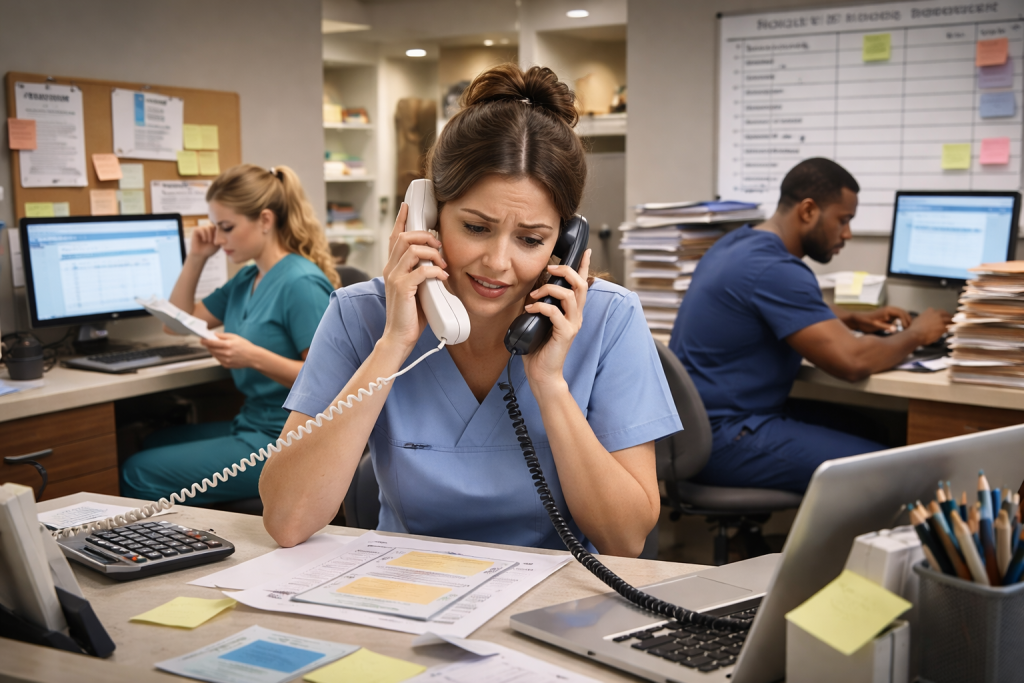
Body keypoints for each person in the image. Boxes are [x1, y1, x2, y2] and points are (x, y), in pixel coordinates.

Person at [260, 64, 682, 557]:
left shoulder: (610, 321)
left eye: (531, 239)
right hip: (399, 591)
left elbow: (625, 540)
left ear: (565, 242)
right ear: (429, 215)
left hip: (556, 600)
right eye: (476, 228)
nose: (499, 264)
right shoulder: (360, 316)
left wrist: (549, 385)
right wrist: (393, 344)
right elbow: (287, 521)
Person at [669, 158, 952, 493]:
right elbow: (853, 362)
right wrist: (918, 333)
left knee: (876, 428)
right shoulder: (776, 267)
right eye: (843, 220)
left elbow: (764, 300)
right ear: (808, 211)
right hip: (725, 435)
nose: (846, 233)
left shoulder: (738, 243)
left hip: (692, 429)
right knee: (894, 473)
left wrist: (845, 316)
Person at [120, 165, 340, 504]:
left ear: (265, 220)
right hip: (250, 424)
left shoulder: (301, 284)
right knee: (151, 441)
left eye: (227, 228)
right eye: (216, 228)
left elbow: (331, 386)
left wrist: (252, 356)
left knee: (138, 471)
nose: (219, 239)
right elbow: (175, 323)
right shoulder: (247, 278)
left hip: (285, 438)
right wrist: (196, 258)